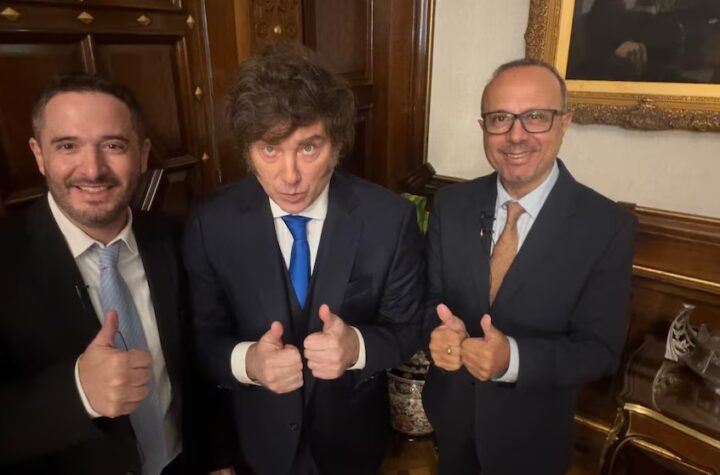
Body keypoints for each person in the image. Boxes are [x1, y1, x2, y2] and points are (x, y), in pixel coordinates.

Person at [182, 44, 425, 475]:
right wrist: (249, 362)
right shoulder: (210, 223)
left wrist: (356, 347)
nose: (289, 176)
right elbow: (202, 340)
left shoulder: (390, 219)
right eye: (270, 150)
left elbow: (407, 329)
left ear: (337, 145)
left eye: (309, 148)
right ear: (248, 151)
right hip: (255, 448)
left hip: (352, 447)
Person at [0, 75, 232, 474]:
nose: (93, 169)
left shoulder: (177, 238)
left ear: (142, 155)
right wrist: (78, 393)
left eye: (113, 145)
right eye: (68, 146)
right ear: (38, 155)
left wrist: (218, 459)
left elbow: (200, 362)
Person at [422, 59, 637, 475]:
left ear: (564, 123)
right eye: (499, 118)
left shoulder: (607, 227)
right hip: (451, 422)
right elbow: (428, 300)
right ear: (484, 127)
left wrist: (512, 360)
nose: (516, 135)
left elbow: (600, 351)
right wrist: (436, 332)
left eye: (535, 116)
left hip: (532, 440)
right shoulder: (451, 205)